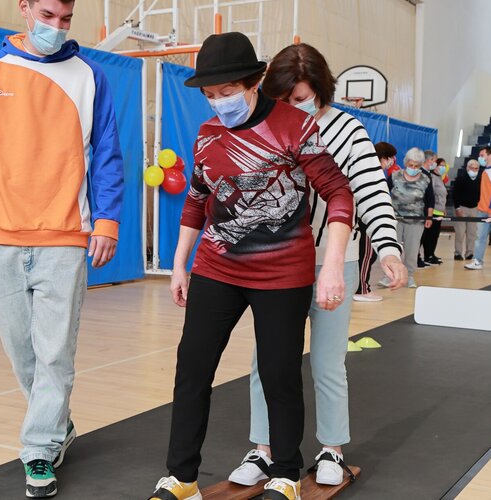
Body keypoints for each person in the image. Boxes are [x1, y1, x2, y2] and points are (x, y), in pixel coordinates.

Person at [148, 33, 354, 500]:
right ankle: (182, 478)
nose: (218, 102)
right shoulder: (208, 135)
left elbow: (339, 193)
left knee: (279, 374)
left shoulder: (295, 126)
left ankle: (285, 473)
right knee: (192, 369)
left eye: (227, 91)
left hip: (282, 274)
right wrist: (179, 265)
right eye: (210, 94)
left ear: (254, 82)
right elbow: (197, 200)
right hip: (217, 267)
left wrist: (331, 266)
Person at [0, 1, 124, 496]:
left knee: (55, 353)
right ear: (24, 8)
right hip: (0, 237)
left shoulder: (90, 76)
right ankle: (57, 421)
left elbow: (108, 154)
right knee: (22, 350)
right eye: (47, 15)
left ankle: (40, 449)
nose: (56, 27)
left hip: (66, 238)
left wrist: (107, 221)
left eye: (65, 19)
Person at [228, 42, 406, 489]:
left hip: (333, 260)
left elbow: (370, 191)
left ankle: (332, 448)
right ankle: (264, 448)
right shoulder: (265, 124)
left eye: (301, 98)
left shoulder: (347, 130)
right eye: (283, 98)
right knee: (267, 361)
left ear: (322, 90)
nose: (292, 106)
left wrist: (388, 249)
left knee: (328, 361)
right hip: (277, 264)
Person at [381, 148, 433, 289]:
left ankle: (409, 276)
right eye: (411, 165)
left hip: (416, 220)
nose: (413, 168)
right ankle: (389, 276)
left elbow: (430, 200)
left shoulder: (425, 179)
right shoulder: (395, 176)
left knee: (412, 250)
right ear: (406, 163)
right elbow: (383, 193)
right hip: (395, 218)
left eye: (416, 166)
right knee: (392, 248)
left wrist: (429, 217)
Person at [354, 141, 399, 302]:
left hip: (364, 219)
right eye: (390, 158)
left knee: (366, 255)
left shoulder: (374, 171)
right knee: (366, 254)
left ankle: (361, 286)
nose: (392, 162)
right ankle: (362, 289)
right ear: (384, 157)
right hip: (365, 220)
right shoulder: (371, 172)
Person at [420, 155, 448, 265]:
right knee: (428, 235)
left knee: (435, 235)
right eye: (440, 165)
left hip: (440, 210)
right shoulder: (431, 177)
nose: (442, 167)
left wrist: (444, 208)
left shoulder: (440, 178)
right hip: (434, 210)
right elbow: (432, 195)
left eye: (444, 166)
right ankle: (427, 255)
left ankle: (431, 254)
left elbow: (443, 195)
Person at [452, 160, 482, 260]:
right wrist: (457, 208)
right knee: (460, 233)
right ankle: (458, 253)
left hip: (474, 208)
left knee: (472, 233)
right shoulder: (460, 179)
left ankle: (470, 253)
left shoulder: (480, 179)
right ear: (468, 168)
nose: (475, 170)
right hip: (461, 208)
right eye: (472, 168)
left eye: (476, 168)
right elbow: (455, 194)